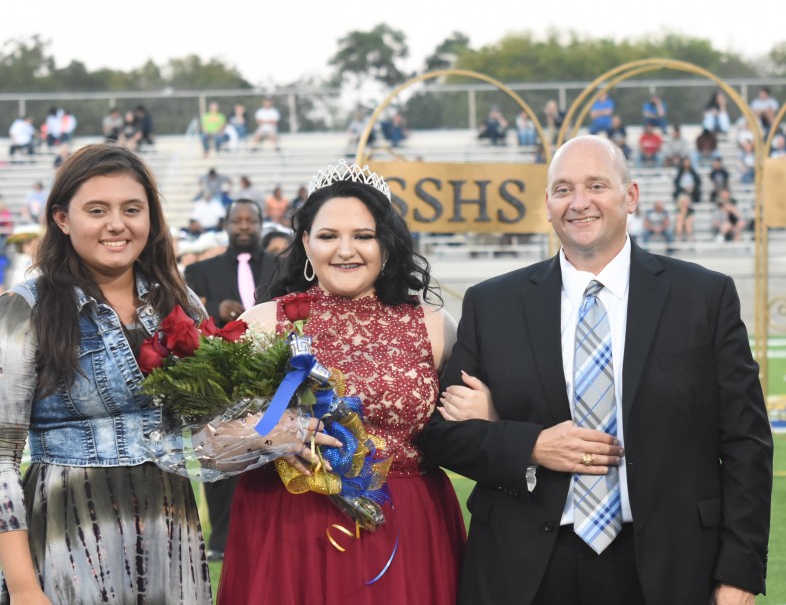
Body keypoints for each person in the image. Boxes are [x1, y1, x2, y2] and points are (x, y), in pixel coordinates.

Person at [420, 135, 772, 604]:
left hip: (667, 565)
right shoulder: (493, 304)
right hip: (525, 569)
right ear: (547, 204)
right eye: (563, 189)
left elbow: (746, 443)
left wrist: (740, 573)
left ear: (631, 197)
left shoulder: (703, 298)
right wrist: (532, 445)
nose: (579, 202)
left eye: (596, 185)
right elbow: (442, 436)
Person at [216, 161, 466, 604]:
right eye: (329, 236)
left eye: (363, 236)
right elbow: (205, 445)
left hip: (408, 525)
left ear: (387, 244)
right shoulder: (261, 323)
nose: (345, 250)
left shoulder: (434, 325)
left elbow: (469, 431)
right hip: (287, 528)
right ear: (307, 242)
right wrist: (263, 433)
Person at [0, 146, 216, 602]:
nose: (117, 224)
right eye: (97, 210)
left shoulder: (179, 302)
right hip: (68, 532)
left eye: (132, 209)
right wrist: (22, 587)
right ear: (62, 218)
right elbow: (1, 457)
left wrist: (279, 428)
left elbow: (210, 425)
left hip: (170, 526)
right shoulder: (26, 308)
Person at [184, 199, 279, 561]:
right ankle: (221, 540)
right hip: (219, 382)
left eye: (250, 220)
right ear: (225, 224)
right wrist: (216, 313)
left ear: (259, 223)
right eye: (237, 220)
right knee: (220, 460)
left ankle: (264, 536)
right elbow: (188, 320)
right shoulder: (202, 270)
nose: (243, 226)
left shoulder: (279, 265)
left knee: (268, 457)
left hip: (270, 380)